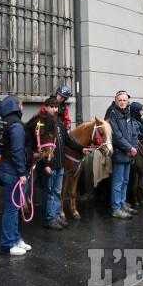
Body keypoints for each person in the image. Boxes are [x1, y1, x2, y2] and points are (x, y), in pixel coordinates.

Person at [38, 97, 90, 230]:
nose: (54, 109)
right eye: (51, 107)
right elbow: (40, 147)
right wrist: (45, 165)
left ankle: (56, 216)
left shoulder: (60, 123)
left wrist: (81, 148)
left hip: (60, 164)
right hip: (50, 164)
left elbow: (68, 142)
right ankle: (49, 219)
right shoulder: (42, 123)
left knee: (57, 191)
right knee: (49, 192)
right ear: (46, 107)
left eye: (56, 107)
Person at [0, 95, 32, 255]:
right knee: (12, 209)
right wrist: (22, 172)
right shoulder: (16, 124)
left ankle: (16, 239)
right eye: (21, 104)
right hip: (13, 170)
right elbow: (17, 150)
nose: (22, 107)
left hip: (6, 166)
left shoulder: (4, 121)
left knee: (15, 207)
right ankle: (7, 245)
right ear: (16, 105)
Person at [107, 91, 139, 219]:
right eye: (120, 100)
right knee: (118, 182)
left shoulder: (128, 114)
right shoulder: (113, 114)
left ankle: (122, 204)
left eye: (124, 100)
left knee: (125, 181)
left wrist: (134, 148)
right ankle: (116, 208)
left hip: (129, 153)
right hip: (120, 153)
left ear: (127, 102)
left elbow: (134, 133)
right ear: (116, 102)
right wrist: (129, 148)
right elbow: (116, 136)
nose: (122, 102)